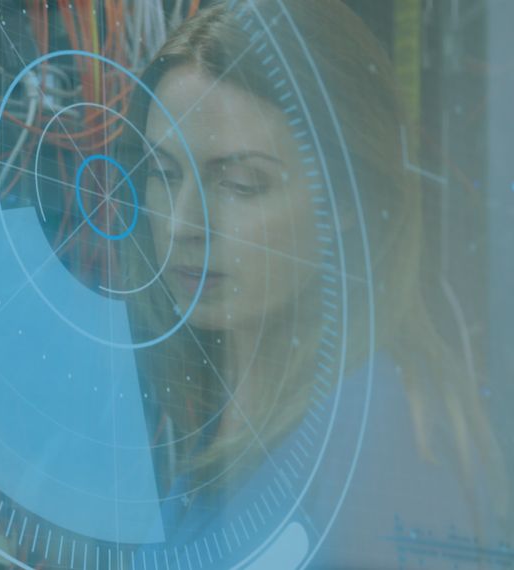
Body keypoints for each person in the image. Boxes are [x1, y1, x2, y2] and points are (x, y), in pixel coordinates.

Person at [118, 0, 510, 565]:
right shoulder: (227, 408)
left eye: (242, 183)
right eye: (164, 174)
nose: (183, 225)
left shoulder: (375, 438)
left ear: (348, 198)